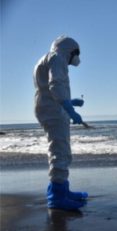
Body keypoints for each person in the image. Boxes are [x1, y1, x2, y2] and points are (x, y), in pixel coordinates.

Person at [33, 36, 88, 211]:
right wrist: (70, 110)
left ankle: (63, 191)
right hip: (53, 112)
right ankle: (57, 197)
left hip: (51, 108)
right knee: (59, 150)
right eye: (76, 53)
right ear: (69, 50)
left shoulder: (50, 58)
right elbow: (55, 86)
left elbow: (50, 91)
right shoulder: (57, 59)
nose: (76, 57)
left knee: (62, 149)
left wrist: (70, 102)